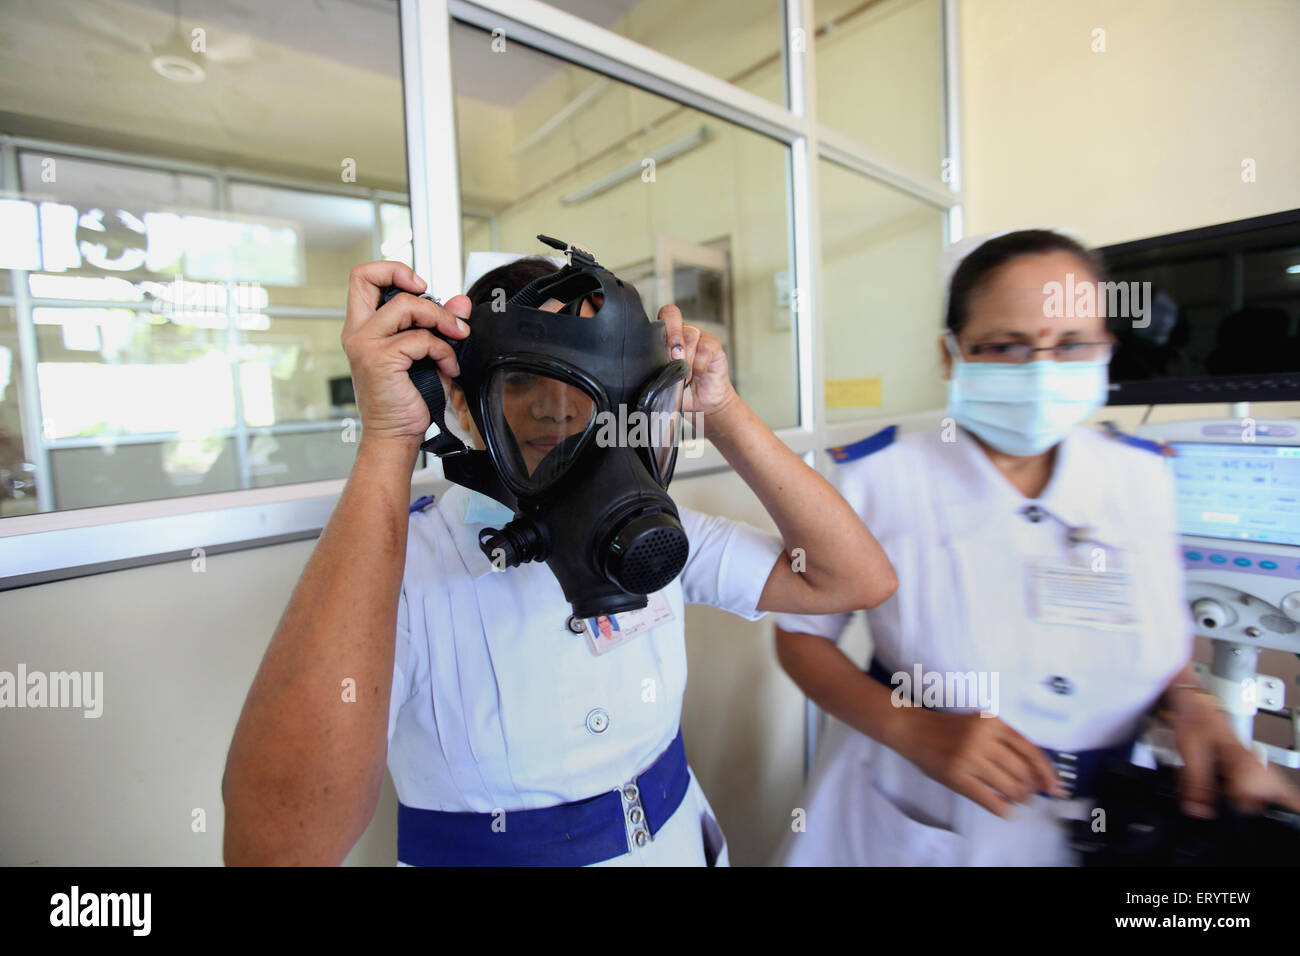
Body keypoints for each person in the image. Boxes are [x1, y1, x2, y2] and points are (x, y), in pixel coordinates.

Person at [221, 252, 897, 866]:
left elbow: (855, 578)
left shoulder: (654, 530)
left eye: (597, 385)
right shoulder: (401, 572)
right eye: (526, 381)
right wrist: (389, 438)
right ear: (462, 399)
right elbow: (276, 848)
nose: (559, 409)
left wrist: (718, 408)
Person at [773, 229, 1300, 866]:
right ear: (950, 355)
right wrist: (910, 727)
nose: (1042, 371)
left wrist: (1195, 708)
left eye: (1071, 344)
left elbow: (1157, 644)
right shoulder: (877, 478)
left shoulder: (1142, 475)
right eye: (1005, 346)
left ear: (1105, 348)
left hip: (1111, 818)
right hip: (923, 812)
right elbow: (801, 634)